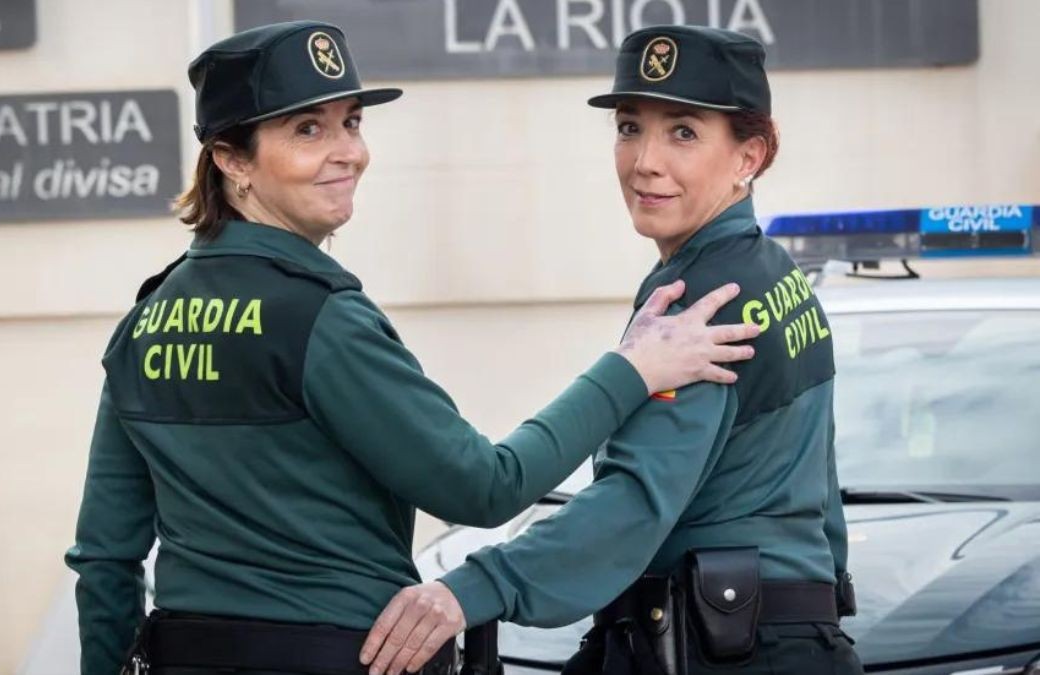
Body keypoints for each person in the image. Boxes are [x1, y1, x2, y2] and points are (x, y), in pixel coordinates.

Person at [65, 21, 762, 675]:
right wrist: (631, 370)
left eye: (352, 122)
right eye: (309, 129)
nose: (351, 152)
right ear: (230, 159)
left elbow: (105, 558)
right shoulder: (317, 319)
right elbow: (486, 486)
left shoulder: (147, 321)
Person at [361, 25, 862, 675]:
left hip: (722, 649)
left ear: (749, 157)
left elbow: (635, 501)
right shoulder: (777, 275)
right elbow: (821, 500)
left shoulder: (700, 297)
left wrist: (471, 587)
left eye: (683, 131)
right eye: (630, 127)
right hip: (795, 638)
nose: (645, 161)